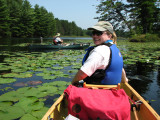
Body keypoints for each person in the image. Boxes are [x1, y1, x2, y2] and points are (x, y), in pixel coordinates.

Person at [72, 21, 128, 85]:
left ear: (109, 36)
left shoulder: (100, 50)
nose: (95, 36)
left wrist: (73, 83)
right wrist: (124, 82)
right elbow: (121, 70)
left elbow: (83, 73)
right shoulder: (115, 49)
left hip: (98, 91)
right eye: (93, 33)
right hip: (113, 89)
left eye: (98, 33)